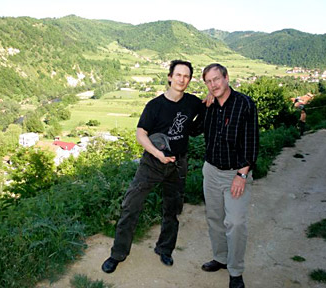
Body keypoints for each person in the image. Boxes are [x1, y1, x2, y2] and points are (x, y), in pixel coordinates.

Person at [101, 60, 204, 273]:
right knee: (131, 205)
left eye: (186, 76)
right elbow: (141, 134)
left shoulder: (193, 103)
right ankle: (117, 254)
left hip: (178, 164)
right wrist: (158, 154)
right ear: (169, 77)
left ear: (189, 80)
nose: (182, 79)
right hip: (152, 163)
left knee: (172, 209)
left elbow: (206, 106)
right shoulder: (155, 106)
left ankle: (164, 249)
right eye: (178, 75)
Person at [191, 63, 259, 288]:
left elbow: (251, 144)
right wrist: (201, 106)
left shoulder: (245, 104)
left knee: (236, 222)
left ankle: (236, 271)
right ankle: (220, 258)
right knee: (214, 218)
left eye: (216, 79)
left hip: (235, 173)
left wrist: (242, 174)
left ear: (226, 77)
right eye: (208, 82)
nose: (213, 85)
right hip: (211, 171)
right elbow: (193, 130)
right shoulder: (209, 106)